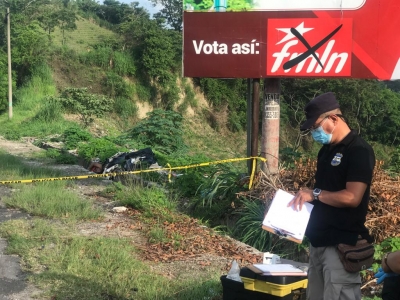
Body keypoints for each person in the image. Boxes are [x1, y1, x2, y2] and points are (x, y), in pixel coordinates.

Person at [288, 92, 375, 300]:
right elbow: (323, 193)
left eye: (316, 126)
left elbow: (352, 197)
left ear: (334, 119)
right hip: (318, 242)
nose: (314, 132)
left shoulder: (359, 150)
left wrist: (315, 194)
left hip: (340, 246)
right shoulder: (325, 151)